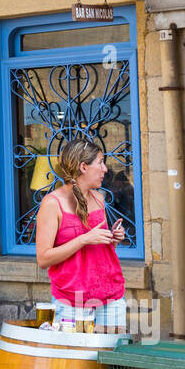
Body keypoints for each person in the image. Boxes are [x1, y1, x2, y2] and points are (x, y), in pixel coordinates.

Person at [34, 136, 127, 333]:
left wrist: (113, 239)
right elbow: (43, 259)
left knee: (111, 359)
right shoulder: (52, 203)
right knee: (76, 362)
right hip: (71, 300)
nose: (105, 169)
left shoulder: (99, 198)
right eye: (100, 163)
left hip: (110, 294)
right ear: (83, 167)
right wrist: (84, 239)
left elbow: (99, 251)